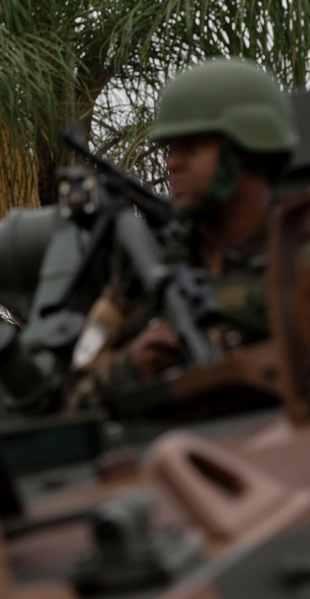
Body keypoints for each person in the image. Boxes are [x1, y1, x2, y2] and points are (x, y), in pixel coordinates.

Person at [64, 57, 298, 411]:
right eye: (171, 150)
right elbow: (73, 401)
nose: (172, 163)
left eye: (191, 147)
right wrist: (133, 364)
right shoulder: (150, 265)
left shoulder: (298, 248)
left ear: (245, 148)